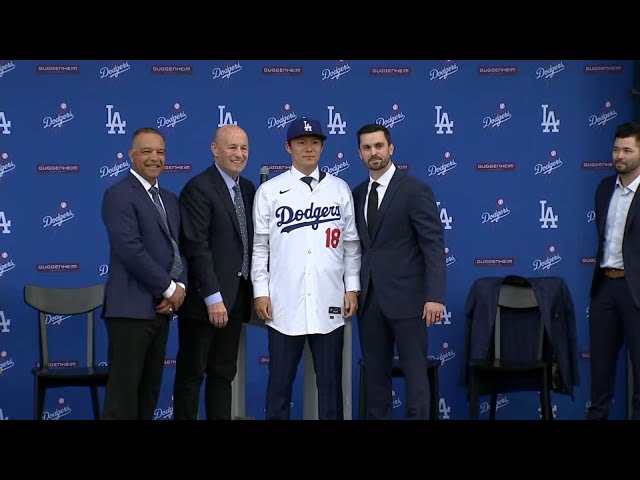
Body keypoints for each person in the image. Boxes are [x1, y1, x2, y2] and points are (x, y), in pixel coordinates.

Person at [251, 116, 361, 420]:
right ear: (288, 147)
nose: (308, 148)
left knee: (330, 387)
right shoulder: (270, 191)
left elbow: (351, 245)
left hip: (330, 300)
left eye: (314, 142)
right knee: (279, 387)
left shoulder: (339, 190)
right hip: (284, 302)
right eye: (301, 142)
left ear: (322, 147)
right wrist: (260, 291)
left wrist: (351, 287)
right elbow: (260, 248)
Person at [352, 123, 445, 420]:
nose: (373, 152)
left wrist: (435, 296)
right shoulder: (356, 194)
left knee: (416, 380)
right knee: (376, 382)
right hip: (369, 302)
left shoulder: (415, 190)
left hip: (410, 302)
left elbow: (433, 245)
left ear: (390, 148)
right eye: (367, 148)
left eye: (378, 146)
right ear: (359, 154)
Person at [101, 127, 187, 420]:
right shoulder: (118, 195)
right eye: (147, 151)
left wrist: (180, 287)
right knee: (122, 399)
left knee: (148, 394)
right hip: (129, 311)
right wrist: (168, 288)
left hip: (161, 312)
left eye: (160, 152)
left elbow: (179, 249)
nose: (154, 158)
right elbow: (130, 250)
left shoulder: (170, 199)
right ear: (132, 155)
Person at [173, 125, 255, 420]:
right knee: (191, 375)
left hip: (235, 301)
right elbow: (197, 247)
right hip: (204, 304)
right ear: (214, 149)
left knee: (223, 374)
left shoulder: (246, 188)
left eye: (244, 148)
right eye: (232, 147)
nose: (239, 154)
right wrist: (212, 298)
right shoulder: (198, 188)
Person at [588, 121, 640, 420]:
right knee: (600, 375)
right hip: (605, 288)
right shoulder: (604, 188)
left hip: (636, 292)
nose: (619, 155)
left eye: (627, 150)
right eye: (616, 149)